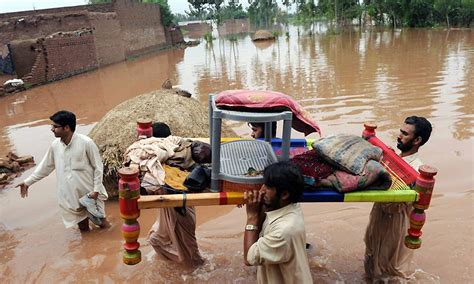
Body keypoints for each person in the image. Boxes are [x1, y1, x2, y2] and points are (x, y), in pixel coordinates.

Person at [364, 116, 432, 282]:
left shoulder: (416, 170)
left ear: (417, 140)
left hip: (396, 221)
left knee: (392, 271)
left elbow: (401, 203)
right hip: (379, 215)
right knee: (371, 261)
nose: (399, 136)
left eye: (405, 134)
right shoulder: (393, 158)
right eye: (400, 132)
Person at [16, 110, 109, 231]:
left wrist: (96, 190)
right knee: (83, 228)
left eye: (55, 126)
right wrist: (27, 182)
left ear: (66, 128)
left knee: (103, 224)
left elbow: (98, 167)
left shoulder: (86, 143)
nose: (52, 129)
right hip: (70, 195)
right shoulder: (55, 146)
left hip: (89, 194)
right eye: (52, 126)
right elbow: (45, 167)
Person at [243, 161, 313, 284]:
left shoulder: (284, 230)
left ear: (284, 194)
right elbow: (267, 207)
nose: (262, 190)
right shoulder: (290, 206)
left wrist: (252, 216)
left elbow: (249, 258)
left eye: (268, 187)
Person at [146, 122, 205, 267]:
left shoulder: (172, 159)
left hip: (180, 209)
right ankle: (176, 266)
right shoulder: (173, 158)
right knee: (156, 239)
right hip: (174, 205)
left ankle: (193, 273)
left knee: (191, 257)